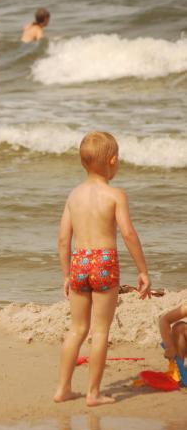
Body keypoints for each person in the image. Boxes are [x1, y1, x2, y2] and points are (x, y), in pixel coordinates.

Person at [54, 131, 151, 407]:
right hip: (104, 262)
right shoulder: (115, 195)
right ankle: (93, 393)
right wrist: (143, 271)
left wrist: (67, 274)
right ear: (113, 161)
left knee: (77, 329)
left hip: (79, 261)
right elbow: (128, 233)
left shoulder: (74, 196)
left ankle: (62, 389)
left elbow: (63, 239)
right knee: (100, 331)